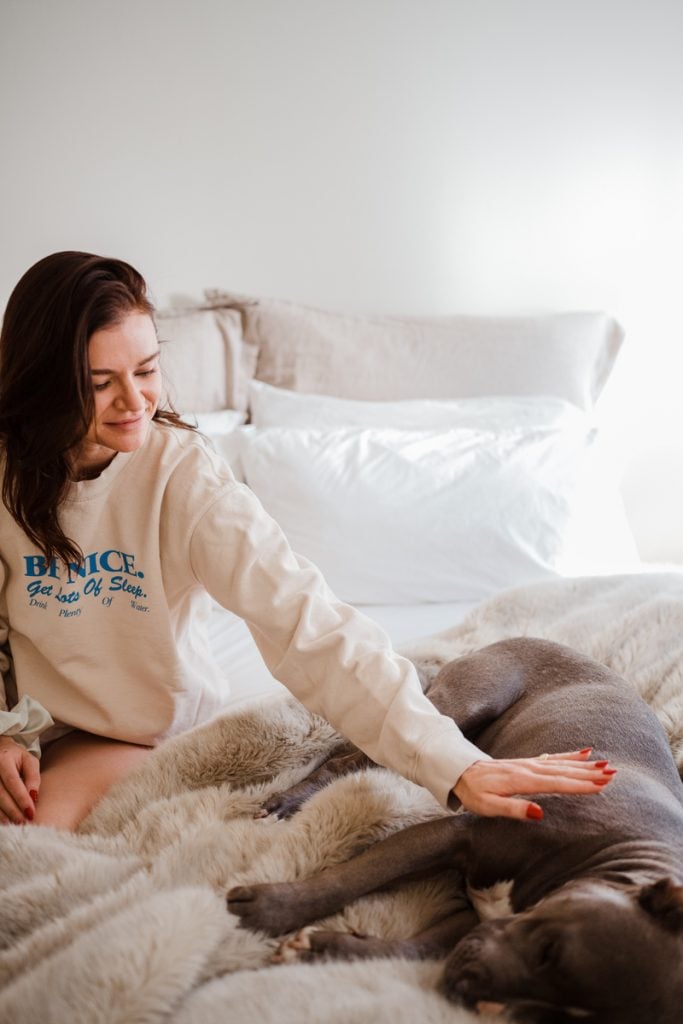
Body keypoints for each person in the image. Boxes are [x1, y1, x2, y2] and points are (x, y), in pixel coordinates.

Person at [0, 252, 614, 831]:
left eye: (147, 370)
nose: (135, 401)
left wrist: (455, 763)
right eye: (99, 381)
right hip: (22, 731)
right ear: (43, 381)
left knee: (26, 851)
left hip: (123, 735)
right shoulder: (8, 472)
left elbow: (307, 625)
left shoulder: (182, 477)